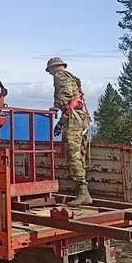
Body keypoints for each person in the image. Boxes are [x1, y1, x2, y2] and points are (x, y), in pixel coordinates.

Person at [46, 56, 92, 206]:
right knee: (80, 153)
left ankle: (83, 192)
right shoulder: (71, 77)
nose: (51, 74)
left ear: (53, 68)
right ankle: (82, 191)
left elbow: (65, 95)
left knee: (72, 154)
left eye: (51, 71)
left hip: (74, 117)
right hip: (79, 117)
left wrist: (56, 105)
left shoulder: (60, 76)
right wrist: (60, 123)